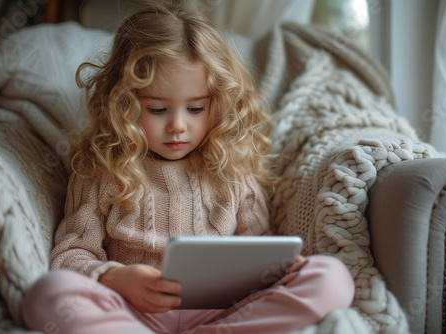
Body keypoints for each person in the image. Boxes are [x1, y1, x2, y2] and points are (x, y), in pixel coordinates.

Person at [21, 2, 355, 333]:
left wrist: (277, 269)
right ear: (123, 103)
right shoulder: (101, 169)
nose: (178, 125)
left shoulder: (232, 169)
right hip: (132, 312)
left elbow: (258, 247)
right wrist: (116, 277)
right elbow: (69, 257)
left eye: (195, 108)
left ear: (217, 103)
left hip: (222, 315)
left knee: (332, 278)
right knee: (47, 295)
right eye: (157, 110)